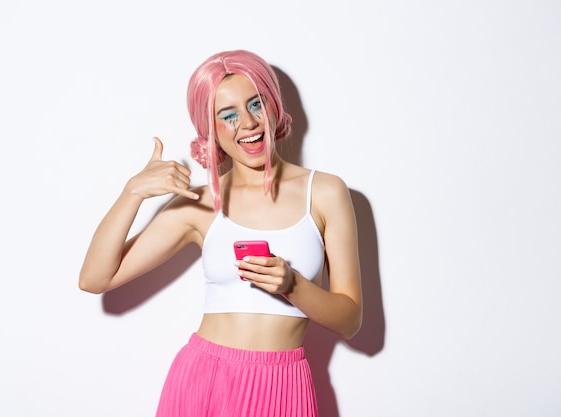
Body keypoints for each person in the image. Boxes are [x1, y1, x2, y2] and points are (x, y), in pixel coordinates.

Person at [79, 49, 362, 417]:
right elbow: (94, 278)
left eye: (255, 105)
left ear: (274, 106)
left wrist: (292, 285)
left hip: (284, 387)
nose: (247, 123)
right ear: (210, 131)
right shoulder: (199, 205)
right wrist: (132, 192)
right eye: (227, 116)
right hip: (205, 381)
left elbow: (350, 320)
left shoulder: (325, 193)